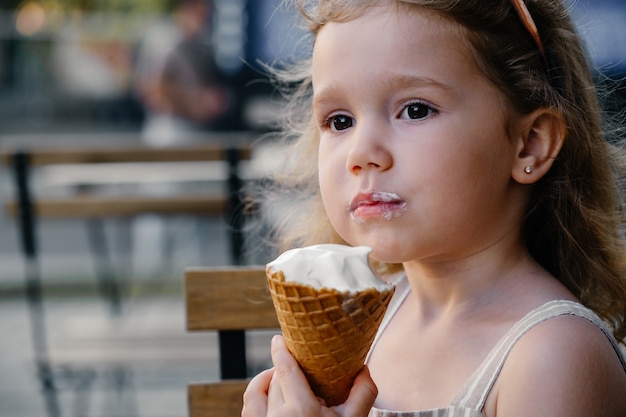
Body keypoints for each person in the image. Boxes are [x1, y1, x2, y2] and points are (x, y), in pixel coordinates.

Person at [242, 0, 626, 416]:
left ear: (529, 142)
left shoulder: (553, 356)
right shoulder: (363, 324)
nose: (362, 153)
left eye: (415, 110)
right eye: (339, 121)